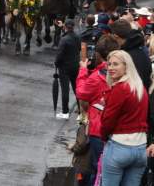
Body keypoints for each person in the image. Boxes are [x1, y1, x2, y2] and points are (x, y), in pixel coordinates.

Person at [76, 35, 120, 185]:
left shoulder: (96, 77)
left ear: (99, 55)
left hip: (98, 129)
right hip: (117, 129)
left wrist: (82, 71)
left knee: (96, 168)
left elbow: (81, 93)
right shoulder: (123, 73)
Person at [100, 50, 148, 186]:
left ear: (126, 66)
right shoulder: (140, 88)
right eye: (109, 64)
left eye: (115, 64)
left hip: (119, 147)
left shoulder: (120, 89)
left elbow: (107, 120)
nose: (110, 68)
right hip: (140, 149)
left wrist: (103, 137)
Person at [110, 19, 152, 90]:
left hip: (135, 95)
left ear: (116, 36)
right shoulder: (141, 47)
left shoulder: (126, 56)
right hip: (143, 94)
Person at [55, 19, 81, 119]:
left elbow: (59, 54)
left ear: (65, 26)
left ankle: (65, 112)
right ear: (73, 26)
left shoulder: (64, 39)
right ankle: (80, 112)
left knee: (65, 89)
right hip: (75, 66)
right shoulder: (77, 37)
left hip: (64, 67)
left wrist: (56, 63)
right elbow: (79, 48)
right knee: (77, 89)